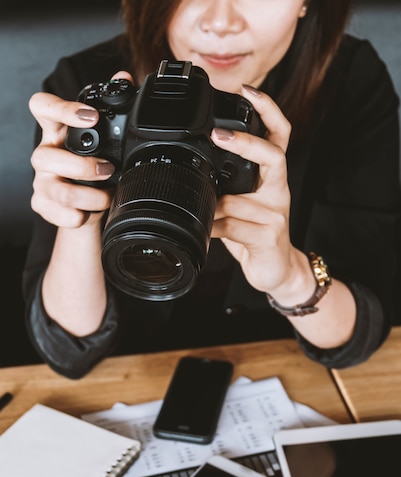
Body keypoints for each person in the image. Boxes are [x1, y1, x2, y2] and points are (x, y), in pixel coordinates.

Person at [24, 0, 401, 379]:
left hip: (284, 371)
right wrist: (80, 219)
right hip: (131, 375)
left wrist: (289, 276)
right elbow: (67, 351)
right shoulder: (91, 94)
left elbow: (357, 337)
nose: (221, 22)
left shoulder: (351, 80)